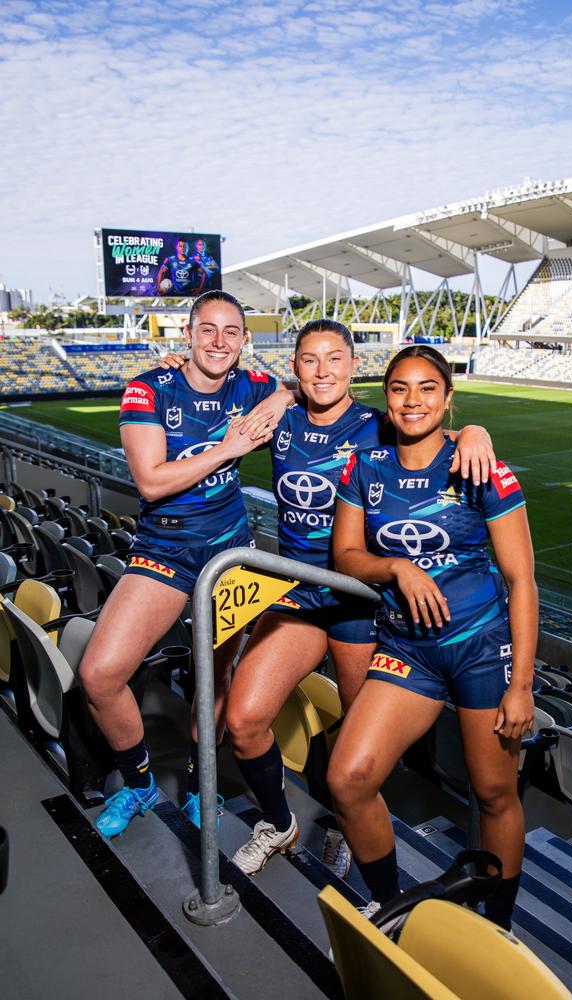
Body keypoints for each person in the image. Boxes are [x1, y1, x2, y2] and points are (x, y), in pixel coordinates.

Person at [214, 322, 496, 878]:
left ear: (353, 365)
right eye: (310, 360)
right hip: (299, 591)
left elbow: (436, 432)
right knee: (243, 719)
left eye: (335, 359)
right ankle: (278, 822)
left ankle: (352, 829)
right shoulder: (282, 417)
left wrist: (476, 431)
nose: (323, 371)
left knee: (358, 743)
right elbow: (212, 380)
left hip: (361, 600)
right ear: (293, 367)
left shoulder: (380, 425)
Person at [329, 344, 537, 930]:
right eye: (399, 388)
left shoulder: (481, 468)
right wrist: (395, 567)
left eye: (427, 388)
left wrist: (521, 684)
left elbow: (522, 582)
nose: (413, 400)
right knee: (348, 779)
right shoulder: (363, 467)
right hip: (406, 649)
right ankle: (389, 905)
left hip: (480, 649)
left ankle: (498, 926)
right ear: (386, 398)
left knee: (494, 792)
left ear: (448, 399)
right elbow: (345, 556)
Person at [79, 290, 295, 838]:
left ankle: (205, 784)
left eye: (231, 331)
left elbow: (296, 391)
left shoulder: (252, 386)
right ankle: (139, 783)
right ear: (187, 335)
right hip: (165, 549)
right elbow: (150, 480)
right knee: (100, 674)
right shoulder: (148, 389)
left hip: (229, 552)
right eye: (208, 330)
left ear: (244, 341)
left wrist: (278, 400)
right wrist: (226, 448)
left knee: (215, 677)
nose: (219, 341)